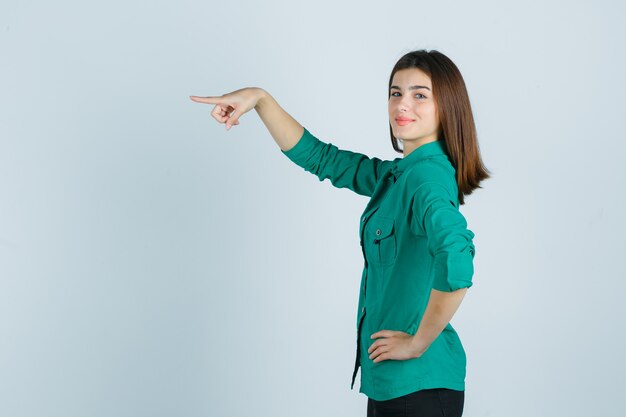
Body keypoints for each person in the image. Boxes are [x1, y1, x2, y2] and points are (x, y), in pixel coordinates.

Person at [190, 49, 490, 417]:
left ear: (448, 107)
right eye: (396, 92)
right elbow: (322, 158)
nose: (402, 105)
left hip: (420, 387)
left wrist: (417, 343)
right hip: (391, 383)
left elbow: (457, 262)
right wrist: (260, 99)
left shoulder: (426, 179)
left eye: (420, 95)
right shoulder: (398, 176)